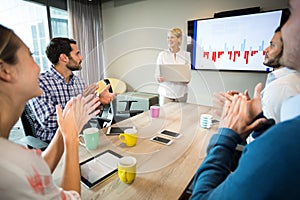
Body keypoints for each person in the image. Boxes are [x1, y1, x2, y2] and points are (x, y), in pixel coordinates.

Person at [191, 0, 300, 199]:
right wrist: (251, 116)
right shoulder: (286, 86)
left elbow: (200, 197)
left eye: (293, 14)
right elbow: (275, 128)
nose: (265, 49)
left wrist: (225, 135)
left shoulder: (282, 89)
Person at [0, 24, 100, 199]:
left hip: (79, 142)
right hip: (64, 145)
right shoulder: (11, 166)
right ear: (4, 70)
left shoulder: (19, 161)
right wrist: (71, 137)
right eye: (30, 56)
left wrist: (95, 102)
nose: (38, 67)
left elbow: (37, 169)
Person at [29, 37, 115, 143]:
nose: (81, 57)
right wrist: (79, 103)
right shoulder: (40, 83)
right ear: (64, 58)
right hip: (55, 143)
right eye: (77, 54)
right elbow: (49, 121)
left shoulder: (79, 81)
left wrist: (98, 101)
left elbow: (88, 112)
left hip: (80, 137)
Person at [155, 28, 191, 105]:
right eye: (168, 37)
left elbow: (187, 80)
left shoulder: (186, 55)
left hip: (181, 94)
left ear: (179, 39)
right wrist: (159, 78)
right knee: (165, 116)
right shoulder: (162, 55)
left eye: (172, 37)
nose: (169, 40)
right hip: (166, 94)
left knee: (180, 116)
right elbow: (157, 76)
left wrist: (180, 77)